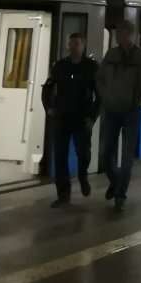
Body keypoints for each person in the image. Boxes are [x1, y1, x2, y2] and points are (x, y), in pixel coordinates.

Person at [97, 20, 141, 212]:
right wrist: (105, 95)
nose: (116, 36)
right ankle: (116, 182)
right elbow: (100, 77)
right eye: (116, 33)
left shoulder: (140, 56)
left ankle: (120, 196)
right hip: (111, 109)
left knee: (127, 156)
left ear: (129, 35)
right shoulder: (111, 54)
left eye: (120, 33)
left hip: (131, 111)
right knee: (105, 153)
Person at [41, 31, 101, 208]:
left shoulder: (92, 67)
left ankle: (82, 175)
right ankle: (63, 194)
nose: (73, 47)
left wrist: (93, 117)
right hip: (62, 118)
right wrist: (48, 108)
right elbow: (47, 88)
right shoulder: (60, 66)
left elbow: (100, 95)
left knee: (83, 153)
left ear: (83, 45)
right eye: (70, 44)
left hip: (82, 119)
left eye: (76, 44)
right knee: (60, 156)